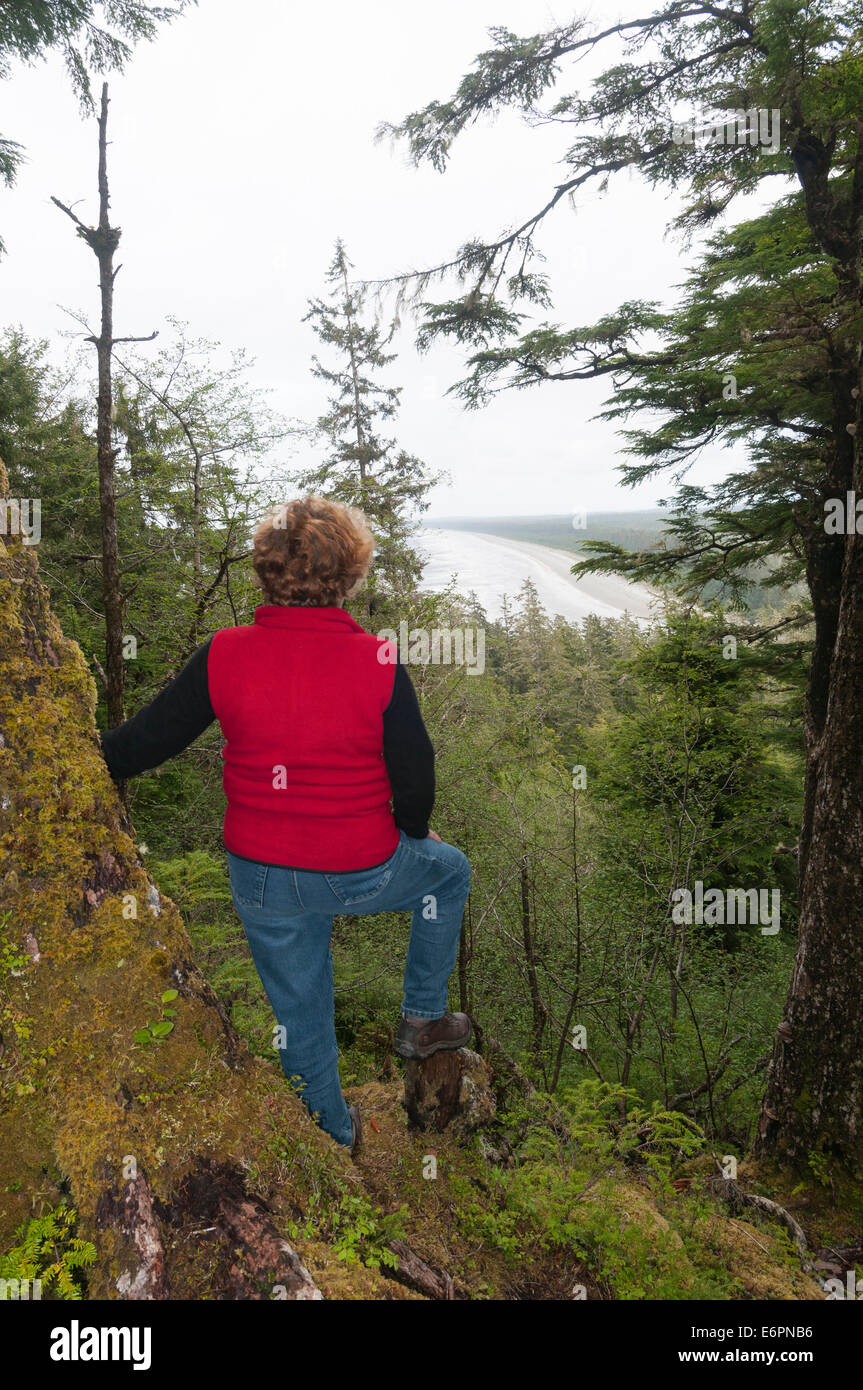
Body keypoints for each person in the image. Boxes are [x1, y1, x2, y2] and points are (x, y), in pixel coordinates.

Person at [99, 496, 472, 1156]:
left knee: (299, 1009)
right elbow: (416, 778)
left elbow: (136, 750)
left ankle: (331, 1135)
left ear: (266, 571)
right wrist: (414, 831)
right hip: (362, 868)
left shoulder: (224, 654)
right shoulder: (378, 660)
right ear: (350, 576)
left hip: (263, 876)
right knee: (448, 871)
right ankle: (421, 1018)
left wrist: (61, 747)